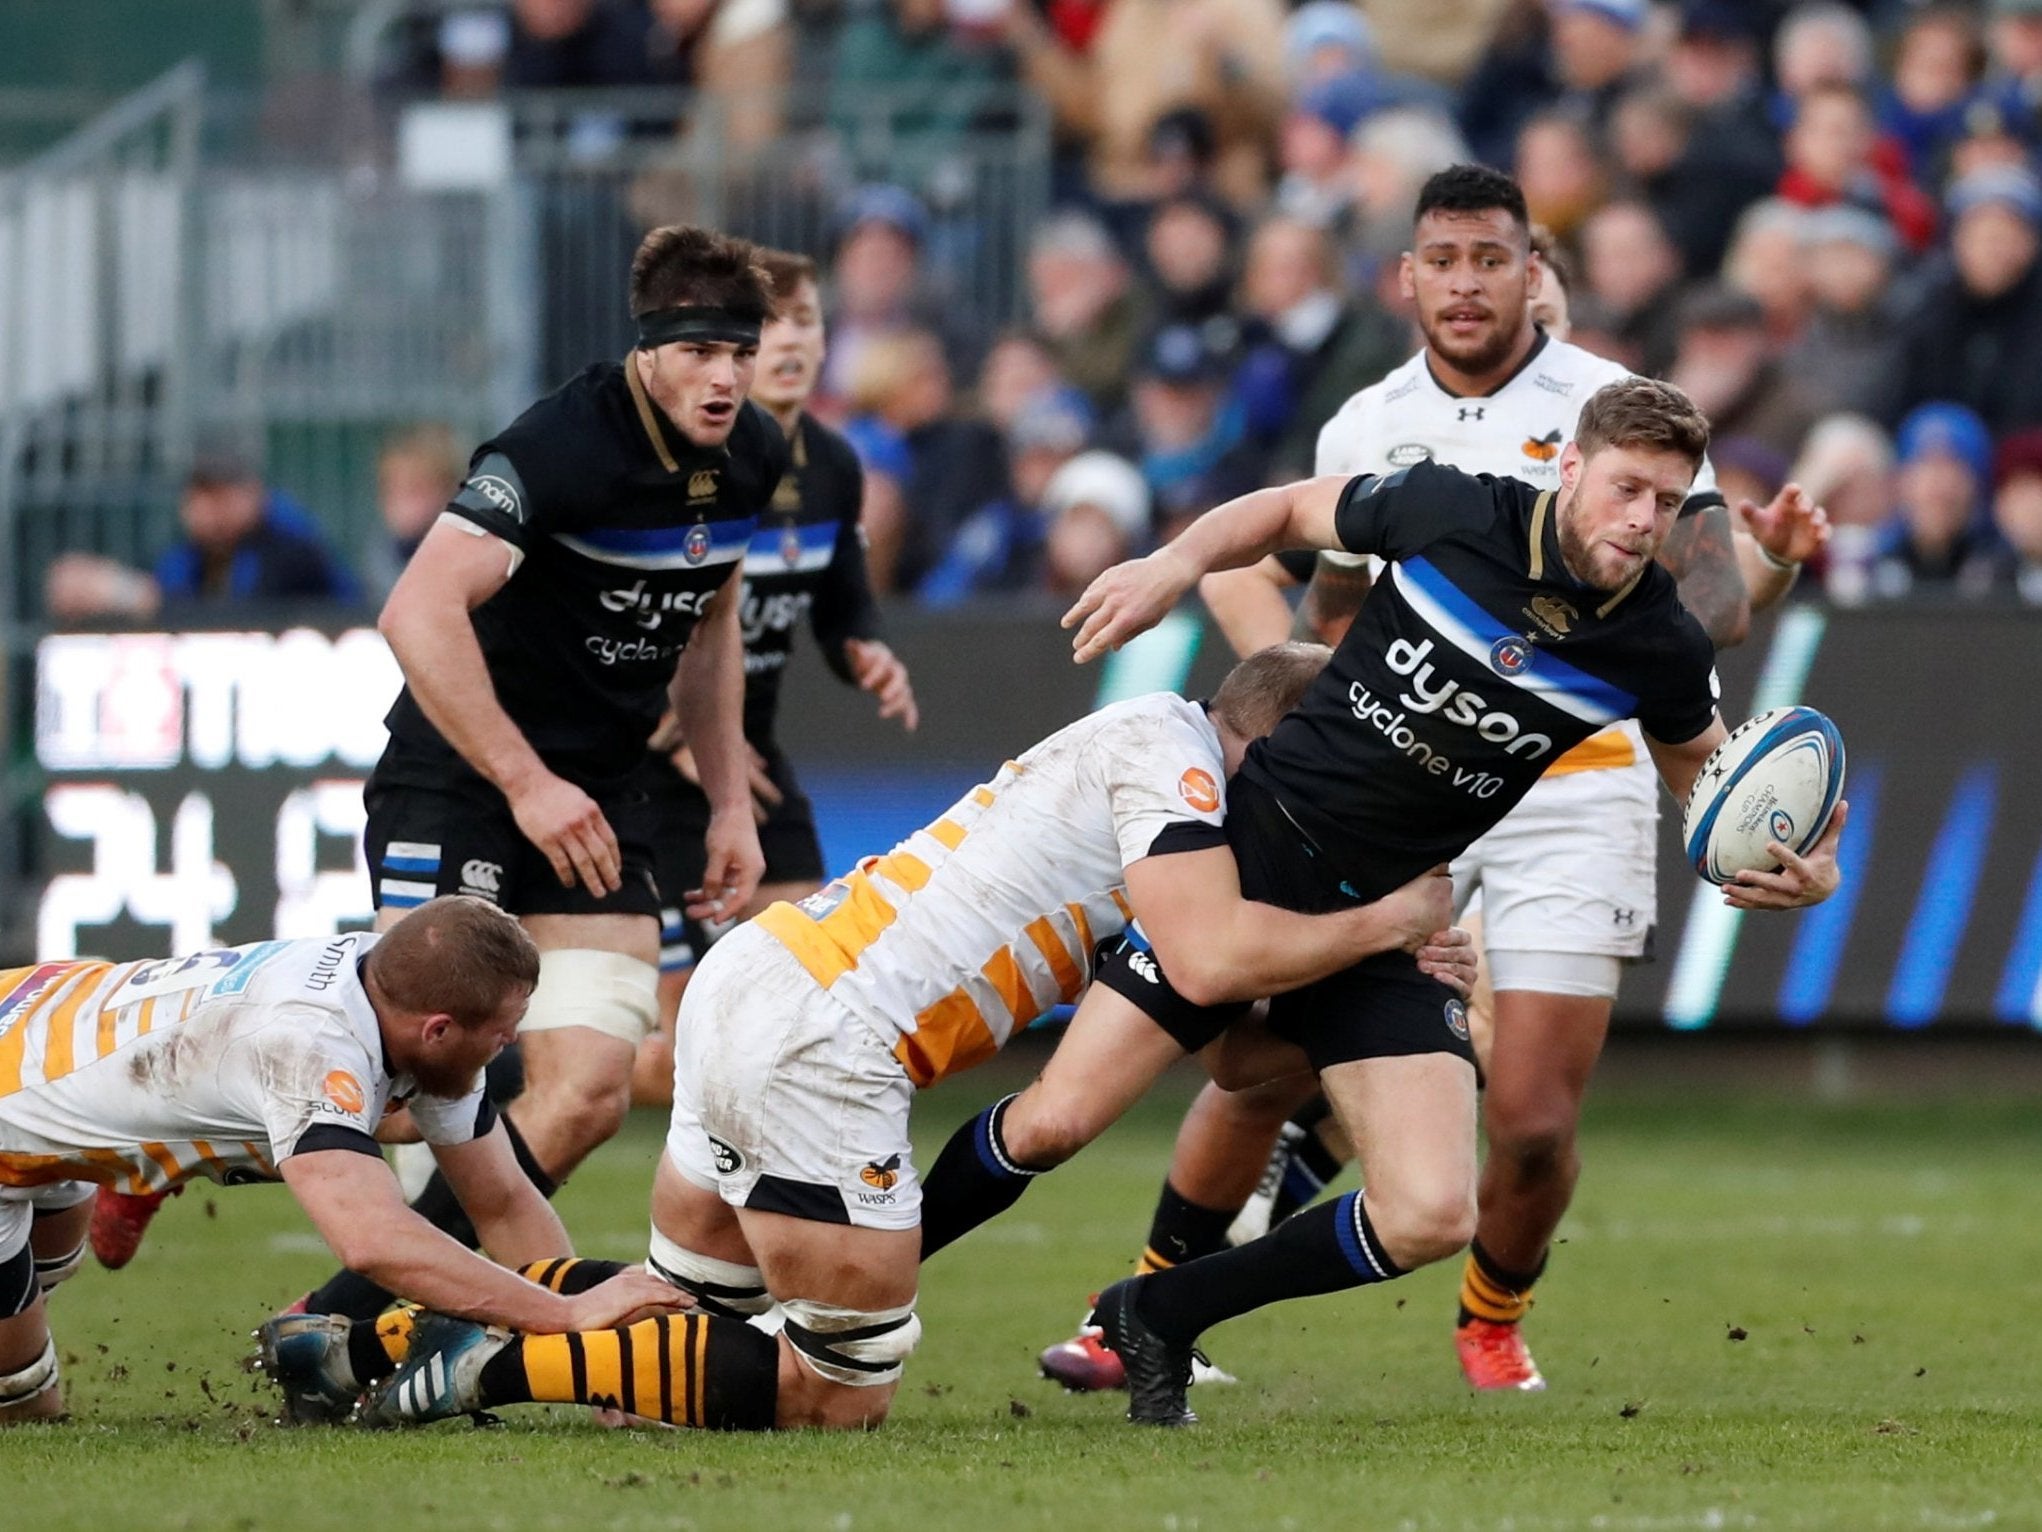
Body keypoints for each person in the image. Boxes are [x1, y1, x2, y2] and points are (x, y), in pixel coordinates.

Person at [1040, 165, 1828, 1400]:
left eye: (1490, 259)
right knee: (1269, 1068)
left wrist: (1760, 574)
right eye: (1441, 260)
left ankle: (1487, 1318)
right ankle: (1138, 1304)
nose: (1465, 283)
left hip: (1578, 781)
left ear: (1533, 269)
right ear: (1405, 276)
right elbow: (1332, 615)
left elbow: (1702, 615)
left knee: (1524, 1120)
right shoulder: (1366, 422)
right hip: (1402, 782)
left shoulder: (1614, 409)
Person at [344, 645, 1475, 1432]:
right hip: (824, 1040)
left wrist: (1364, 955)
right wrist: (1388, 923)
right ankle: (493, 1361)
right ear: (1280, 740)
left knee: (697, 1319)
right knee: (835, 1390)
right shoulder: (1171, 759)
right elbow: (1217, 959)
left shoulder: (1156, 777)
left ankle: (366, 1341)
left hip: (773, 977)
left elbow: (1228, 1046)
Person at [264, 225, 783, 1328]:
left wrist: (731, 799)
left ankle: (344, 1315)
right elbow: (416, 608)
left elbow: (709, 625)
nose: (726, 374)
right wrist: (525, 779)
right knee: (433, 1085)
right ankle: (191, 1153)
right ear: (647, 349)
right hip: (459, 783)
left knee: (589, 1093)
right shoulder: (559, 444)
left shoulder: (755, 456)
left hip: (596, 799)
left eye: (742, 348)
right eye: (698, 348)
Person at [0, 897, 682, 1423]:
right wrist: (561, 1316)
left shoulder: (393, 983)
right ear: (439, 1030)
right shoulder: (309, 1049)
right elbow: (373, 1241)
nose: (509, 1044)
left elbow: (501, 1200)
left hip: (43, 1036)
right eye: (502, 1031)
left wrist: (594, 1360)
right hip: (14, 1102)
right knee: (26, 1407)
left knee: (49, 1268)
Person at [632, 249, 919, 1107]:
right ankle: (496, 1102)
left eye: (809, 321)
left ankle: (760, 1189)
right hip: (645, 762)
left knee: (806, 973)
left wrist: (865, 651)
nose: (792, 341)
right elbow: (629, 614)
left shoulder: (832, 466)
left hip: (744, 756)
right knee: (667, 1045)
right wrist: (678, 739)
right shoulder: (690, 462)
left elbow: (841, 602)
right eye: (773, 323)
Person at [45, 448, 360, 624]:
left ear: (251, 494)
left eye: (221, 495)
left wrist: (128, 594)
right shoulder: (190, 554)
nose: (209, 510)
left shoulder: (291, 547)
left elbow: (242, 619)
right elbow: (169, 588)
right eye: (201, 496)